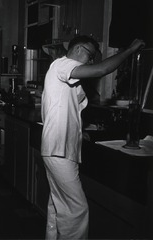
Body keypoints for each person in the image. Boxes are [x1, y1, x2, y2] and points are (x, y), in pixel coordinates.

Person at [41, 35, 145, 239]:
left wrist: (80, 131)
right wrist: (130, 50)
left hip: (58, 147)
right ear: (78, 48)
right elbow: (102, 69)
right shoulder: (63, 64)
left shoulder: (68, 77)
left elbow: (71, 105)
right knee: (76, 210)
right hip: (58, 149)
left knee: (58, 204)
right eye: (89, 55)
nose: (90, 61)